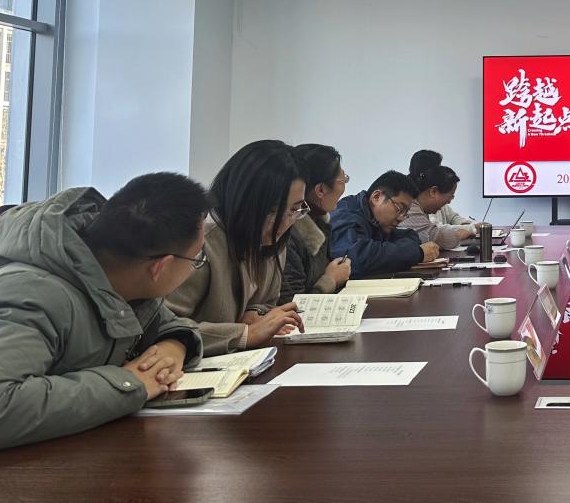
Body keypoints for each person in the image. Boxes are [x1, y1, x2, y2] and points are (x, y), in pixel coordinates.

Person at [0, 174, 208, 465]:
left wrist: (173, 348)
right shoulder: (29, 295)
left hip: (34, 459)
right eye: (196, 259)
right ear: (160, 267)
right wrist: (129, 383)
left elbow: (169, 324)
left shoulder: (119, 282)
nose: (195, 267)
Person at [167, 140, 307, 356]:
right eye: (273, 210)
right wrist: (244, 334)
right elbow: (164, 326)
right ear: (244, 200)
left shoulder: (273, 237)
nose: (285, 222)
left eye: (296, 209)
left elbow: (268, 301)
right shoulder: (201, 242)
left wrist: (255, 311)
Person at [279, 144, 352, 304]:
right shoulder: (286, 233)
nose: (344, 187)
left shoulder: (320, 222)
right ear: (320, 190)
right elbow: (291, 305)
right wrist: (330, 280)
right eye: (343, 179)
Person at [331, 171, 438, 279]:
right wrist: (418, 253)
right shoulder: (346, 215)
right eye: (399, 209)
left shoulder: (376, 220)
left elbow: (410, 236)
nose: (401, 218)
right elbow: (355, 260)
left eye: (405, 213)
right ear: (376, 197)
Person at [402, 164, 475, 250]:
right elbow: (433, 237)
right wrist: (459, 235)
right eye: (451, 195)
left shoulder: (421, 207)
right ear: (433, 191)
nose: (449, 201)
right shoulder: (410, 206)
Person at [410, 149, 476, 230]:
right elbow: (435, 231)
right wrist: (471, 228)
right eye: (438, 169)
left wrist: (466, 224)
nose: (441, 172)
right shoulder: (416, 201)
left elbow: (453, 217)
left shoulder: (436, 195)